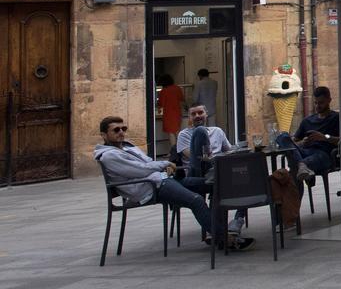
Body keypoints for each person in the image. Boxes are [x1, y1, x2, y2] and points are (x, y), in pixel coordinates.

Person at [94, 116, 252, 250]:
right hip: (150, 187)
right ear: (104, 135)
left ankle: (220, 230)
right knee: (196, 200)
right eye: (116, 130)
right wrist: (165, 164)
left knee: (215, 183)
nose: (121, 132)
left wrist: (164, 167)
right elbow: (140, 170)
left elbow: (148, 162)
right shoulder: (109, 156)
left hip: (161, 179)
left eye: (123, 129)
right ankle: (225, 239)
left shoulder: (128, 147)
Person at [175, 103, 247, 234]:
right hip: (197, 172)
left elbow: (229, 152)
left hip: (216, 171)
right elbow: (192, 157)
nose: (197, 116)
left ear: (206, 114)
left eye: (200, 113)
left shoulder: (217, 131)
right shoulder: (183, 135)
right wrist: (212, 158)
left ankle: (237, 220)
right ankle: (219, 228)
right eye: (193, 114)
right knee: (200, 131)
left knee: (244, 174)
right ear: (189, 118)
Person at [274, 86, 341, 185]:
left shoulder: (337, 118)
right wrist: (302, 142)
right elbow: (293, 142)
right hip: (305, 151)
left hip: (325, 154)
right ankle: (303, 168)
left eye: (321, 103)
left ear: (329, 100)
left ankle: (302, 168)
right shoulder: (307, 121)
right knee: (283, 136)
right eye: (315, 103)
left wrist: (324, 137)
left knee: (294, 168)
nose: (317, 106)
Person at [156, 74, 185, 155]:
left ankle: (174, 152)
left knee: (171, 132)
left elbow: (160, 104)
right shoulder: (177, 88)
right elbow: (182, 100)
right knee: (177, 132)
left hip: (168, 114)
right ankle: (181, 149)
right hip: (178, 113)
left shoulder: (163, 91)